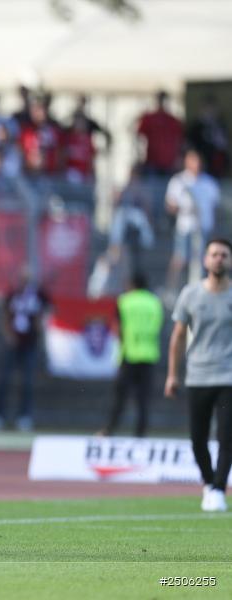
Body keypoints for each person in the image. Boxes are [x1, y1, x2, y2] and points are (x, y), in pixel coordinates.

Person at [165, 238, 232, 513]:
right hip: (198, 376)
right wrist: (172, 374)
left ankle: (218, 489)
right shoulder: (190, 294)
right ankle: (208, 481)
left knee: (227, 436)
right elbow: (178, 336)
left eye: (224, 255)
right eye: (214, 254)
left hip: (228, 377)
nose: (219, 259)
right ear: (205, 259)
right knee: (197, 439)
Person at [0, 270, 50, 432]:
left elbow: (48, 310)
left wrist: (40, 325)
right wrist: (8, 334)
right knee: (3, 379)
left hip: (30, 343)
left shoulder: (38, 294)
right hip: (13, 342)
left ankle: (24, 416)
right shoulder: (13, 293)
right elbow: (6, 314)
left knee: (27, 381)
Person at [98, 273, 163, 437]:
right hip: (149, 355)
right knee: (143, 399)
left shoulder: (125, 301)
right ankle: (141, 433)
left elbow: (118, 328)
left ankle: (109, 429)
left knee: (120, 397)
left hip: (129, 354)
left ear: (132, 285)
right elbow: (158, 326)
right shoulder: (155, 303)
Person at [164, 150, 221, 299]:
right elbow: (170, 205)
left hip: (204, 228)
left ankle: (201, 292)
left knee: (202, 261)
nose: (196, 165)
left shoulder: (209, 183)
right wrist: (185, 209)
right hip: (186, 227)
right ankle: (171, 290)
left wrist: (214, 229)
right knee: (180, 258)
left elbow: (214, 208)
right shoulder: (179, 181)